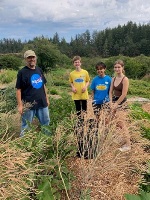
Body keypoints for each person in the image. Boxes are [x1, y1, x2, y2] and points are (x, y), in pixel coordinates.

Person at [16, 50, 50, 136]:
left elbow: (43, 86)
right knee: (26, 126)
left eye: (33, 57)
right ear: (25, 59)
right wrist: (20, 105)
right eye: (29, 57)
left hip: (42, 102)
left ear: (36, 58)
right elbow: (18, 90)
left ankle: (47, 141)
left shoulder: (39, 70)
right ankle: (23, 144)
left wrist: (47, 98)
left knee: (46, 123)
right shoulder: (22, 72)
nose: (31, 59)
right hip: (28, 104)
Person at [109, 60, 131, 152]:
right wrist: (110, 102)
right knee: (115, 122)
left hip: (121, 102)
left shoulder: (125, 79)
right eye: (115, 67)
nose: (117, 69)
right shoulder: (113, 78)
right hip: (114, 101)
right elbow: (110, 91)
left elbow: (124, 94)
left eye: (119, 67)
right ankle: (121, 139)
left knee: (122, 123)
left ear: (122, 68)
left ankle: (128, 145)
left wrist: (116, 104)